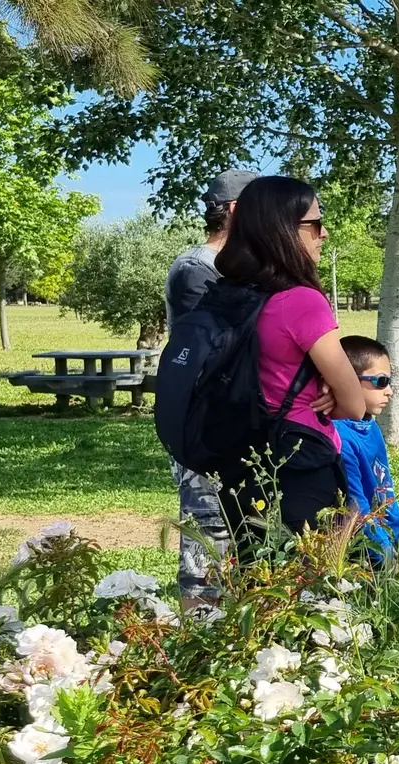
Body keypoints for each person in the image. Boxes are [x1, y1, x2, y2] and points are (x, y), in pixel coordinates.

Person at [208, 176, 368, 548]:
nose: (323, 233)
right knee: (315, 579)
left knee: (257, 576)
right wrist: (331, 393)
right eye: (315, 223)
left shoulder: (227, 295)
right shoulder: (301, 301)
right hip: (299, 462)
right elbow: (356, 406)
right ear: (282, 229)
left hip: (239, 461)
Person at [165, 168, 256, 608]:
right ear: (236, 210)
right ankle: (200, 630)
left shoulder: (235, 270)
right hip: (204, 427)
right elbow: (225, 344)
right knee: (208, 532)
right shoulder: (196, 269)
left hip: (239, 423)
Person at [334, 335, 399, 566]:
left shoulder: (370, 427)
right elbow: (357, 507)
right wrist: (386, 555)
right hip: (365, 553)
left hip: (387, 541)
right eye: (381, 381)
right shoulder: (340, 437)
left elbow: (386, 491)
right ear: (348, 380)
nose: (389, 391)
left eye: (390, 381)